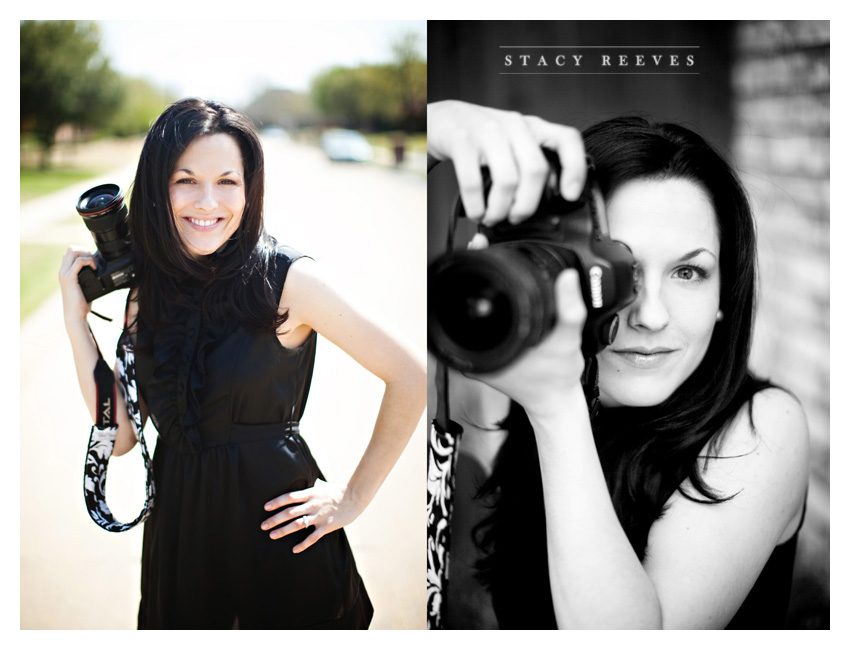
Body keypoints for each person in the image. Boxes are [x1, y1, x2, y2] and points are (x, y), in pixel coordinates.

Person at [427, 100, 810, 629]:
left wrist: (556, 410)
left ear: (726, 293)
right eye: (619, 270)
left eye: (688, 272)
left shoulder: (766, 426)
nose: (650, 316)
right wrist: (434, 125)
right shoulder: (535, 384)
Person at [58, 98, 426, 629]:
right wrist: (77, 325)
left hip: (278, 538)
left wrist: (352, 497)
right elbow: (119, 439)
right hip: (180, 536)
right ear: (157, 188)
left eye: (228, 181)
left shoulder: (288, 280)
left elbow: (410, 376)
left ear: (249, 189)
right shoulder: (149, 288)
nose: (208, 202)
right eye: (186, 180)